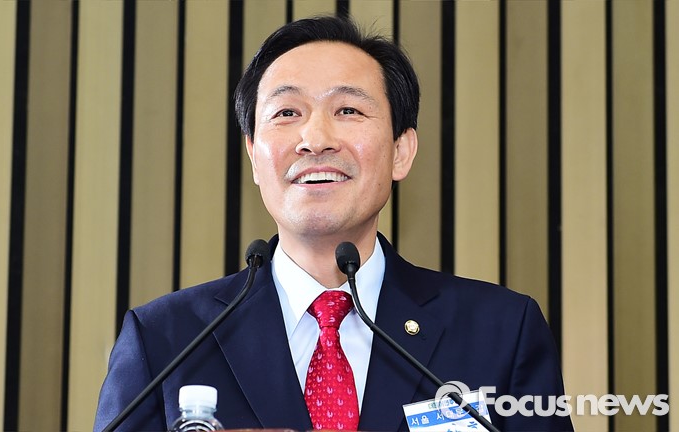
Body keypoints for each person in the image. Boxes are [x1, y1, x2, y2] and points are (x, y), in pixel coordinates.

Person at [95, 16, 573, 432]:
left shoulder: (501, 332)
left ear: (401, 151)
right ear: (254, 156)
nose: (315, 138)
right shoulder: (165, 340)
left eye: (348, 110)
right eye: (287, 112)